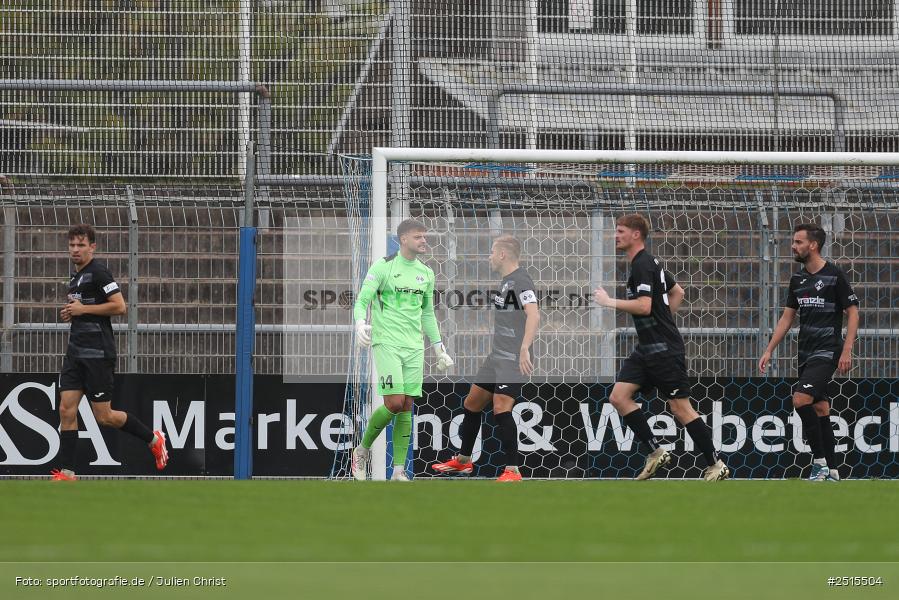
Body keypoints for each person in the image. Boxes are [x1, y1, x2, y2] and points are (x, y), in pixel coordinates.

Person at [593, 214, 728, 481]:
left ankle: (716, 464)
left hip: (664, 349)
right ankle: (656, 452)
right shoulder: (647, 263)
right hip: (647, 348)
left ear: (636, 234)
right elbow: (679, 292)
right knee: (619, 397)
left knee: (680, 408)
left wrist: (609, 302)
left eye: (620, 231)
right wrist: (663, 319)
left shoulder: (643, 263)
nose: (616, 236)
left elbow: (644, 306)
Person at [53, 224, 167, 481]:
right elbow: (84, 308)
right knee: (66, 410)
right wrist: (72, 313)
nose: (75, 250)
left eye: (81, 245)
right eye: (72, 245)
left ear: (92, 247)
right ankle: (67, 473)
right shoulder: (75, 278)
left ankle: (153, 438)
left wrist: (83, 311)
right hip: (75, 354)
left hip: (97, 354)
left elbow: (119, 306)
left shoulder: (99, 273)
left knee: (104, 417)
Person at [351, 219, 453, 481]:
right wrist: (360, 322)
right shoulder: (384, 266)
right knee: (394, 402)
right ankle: (361, 450)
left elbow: (427, 313)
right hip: (387, 342)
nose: (424, 241)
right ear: (403, 239)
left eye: (424, 237)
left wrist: (439, 348)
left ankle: (398, 470)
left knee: (407, 405)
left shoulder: (426, 273)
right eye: (418, 237)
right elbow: (363, 299)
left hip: (414, 346)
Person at [431, 235, 540, 482]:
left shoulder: (521, 280)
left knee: (501, 407)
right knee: (472, 403)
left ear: (502, 254)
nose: (489, 257)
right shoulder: (506, 282)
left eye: (492, 252)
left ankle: (513, 471)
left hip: (513, 357)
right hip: (497, 356)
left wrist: (524, 348)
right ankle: (463, 462)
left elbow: (534, 315)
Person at [759, 223, 859, 481]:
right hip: (805, 351)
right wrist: (769, 349)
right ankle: (834, 471)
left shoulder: (835, 275)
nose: (793, 246)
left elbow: (853, 312)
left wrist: (846, 350)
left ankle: (819, 463)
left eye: (798, 242)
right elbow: (787, 318)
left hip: (828, 350)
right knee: (821, 409)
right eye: (794, 241)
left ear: (813, 245)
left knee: (800, 399)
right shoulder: (798, 279)